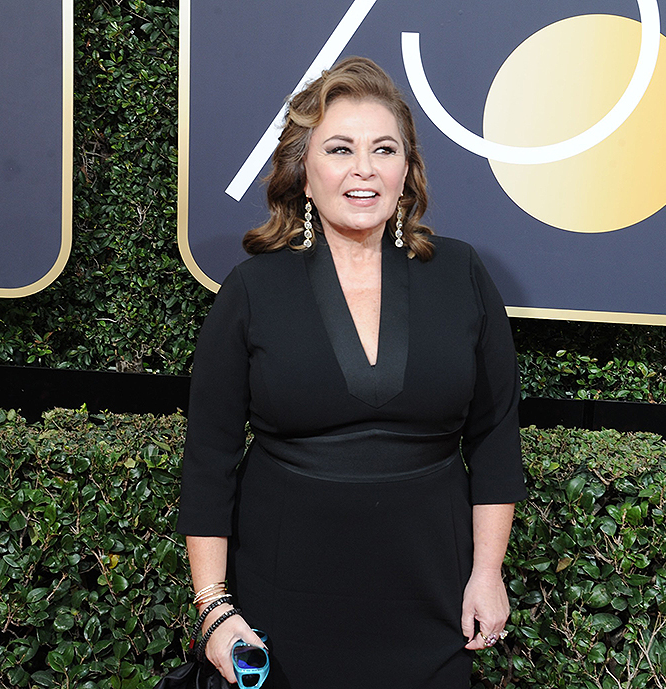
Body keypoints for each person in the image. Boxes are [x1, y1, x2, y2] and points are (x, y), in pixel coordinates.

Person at [177, 56, 526, 689]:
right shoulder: (253, 290)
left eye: (384, 150)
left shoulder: (462, 274)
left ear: (406, 172)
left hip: (431, 594)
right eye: (340, 149)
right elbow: (209, 459)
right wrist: (215, 610)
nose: (363, 169)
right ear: (304, 173)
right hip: (281, 598)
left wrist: (487, 572)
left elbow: (496, 438)